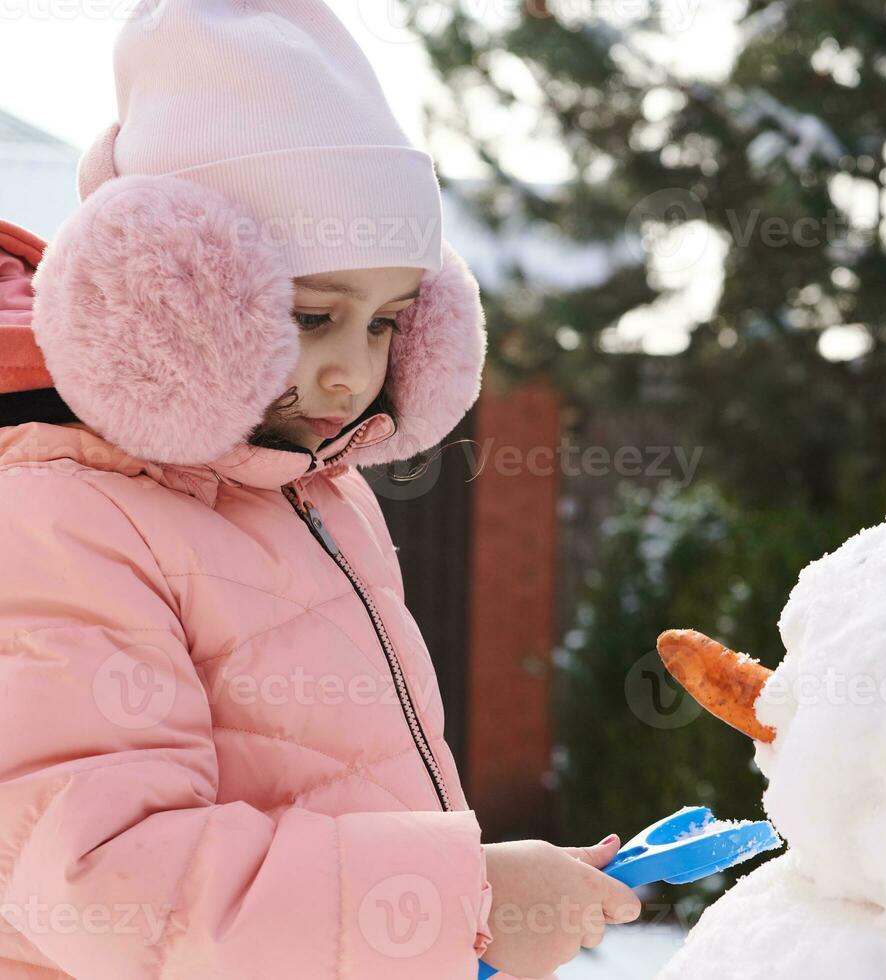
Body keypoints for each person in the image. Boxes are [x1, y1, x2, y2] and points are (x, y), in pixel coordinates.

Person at [0, 3, 639, 978]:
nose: (352, 372)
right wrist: (458, 897)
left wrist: (477, 895)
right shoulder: (63, 514)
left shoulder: (317, 487)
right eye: (312, 313)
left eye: (385, 322)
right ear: (167, 289)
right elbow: (104, 878)